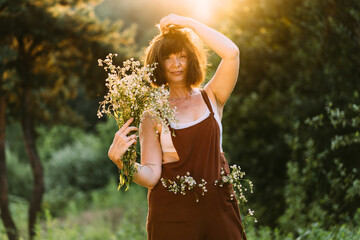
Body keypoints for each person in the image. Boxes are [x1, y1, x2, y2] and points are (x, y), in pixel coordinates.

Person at [108, 14, 246, 240]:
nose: (176, 63)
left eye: (182, 56)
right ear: (158, 64)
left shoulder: (212, 97)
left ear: (191, 59)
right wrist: (122, 162)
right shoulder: (152, 114)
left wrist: (188, 24)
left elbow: (232, 53)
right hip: (174, 216)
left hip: (219, 209)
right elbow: (152, 175)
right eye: (168, 58)